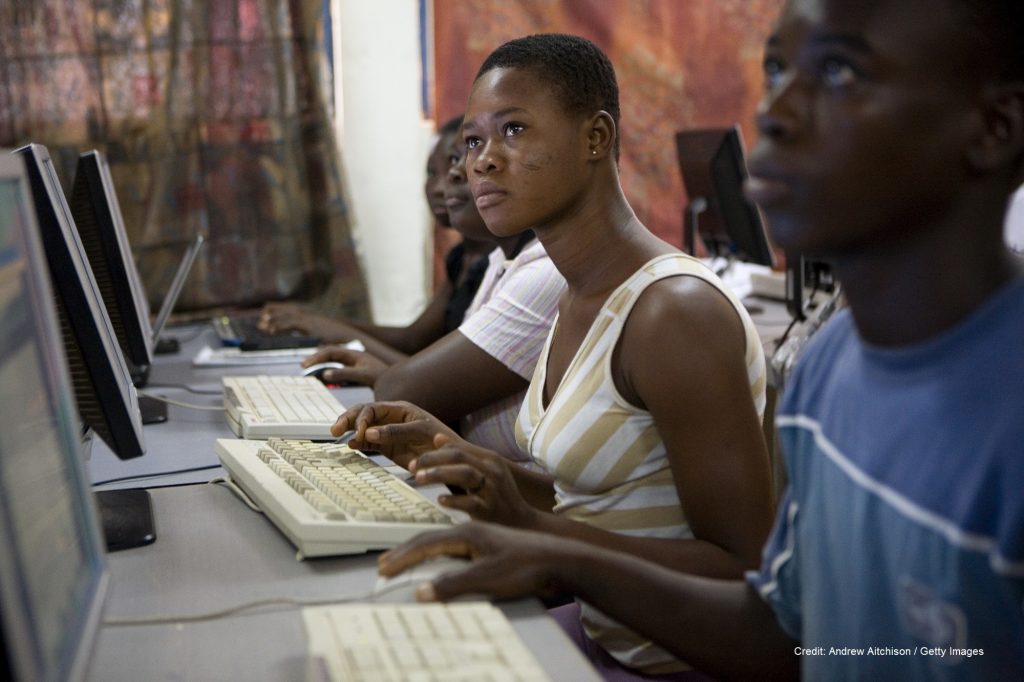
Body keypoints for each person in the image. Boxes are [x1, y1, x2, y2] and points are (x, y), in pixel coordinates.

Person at [368, 1, 1024, 680]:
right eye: (775, 68)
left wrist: (557, 547)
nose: (776, 110)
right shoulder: (832, 366)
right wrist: (541, 534)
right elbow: (786, 634)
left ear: (995, 127)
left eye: (838, 70)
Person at [334, 33, 775, 677]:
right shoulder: (574, 298)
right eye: (473, 142)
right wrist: (475, 466)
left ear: (596, 139)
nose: (480, 163)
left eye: (513, 130)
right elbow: (592, 502)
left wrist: (543, 542)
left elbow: (744, 575)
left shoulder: (672, 312)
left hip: (670, 665)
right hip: (602, 633)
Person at [307, 127, 566, 464]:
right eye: (472, 146)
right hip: (490, 479)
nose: (466, 168)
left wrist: (374, 363)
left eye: (513, 133)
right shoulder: (499, 260)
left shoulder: (548, 270)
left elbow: (406, 386)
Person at [258, 116, 492, 365]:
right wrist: (315, 323)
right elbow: (413, 338)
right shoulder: (462, 257)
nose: (439, 187)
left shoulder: (508, 265)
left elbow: (440, 379)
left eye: (457, 163)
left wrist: (335, 333)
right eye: (432, 172)